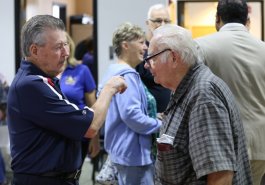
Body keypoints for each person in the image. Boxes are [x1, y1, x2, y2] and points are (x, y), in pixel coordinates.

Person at [7, 14, 127, 185]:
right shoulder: (31, 84)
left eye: (65, 45)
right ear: (34, 50)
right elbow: (91, 126)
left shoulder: (43, 79)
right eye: (58, 47)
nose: (66, 52)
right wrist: (110, 88)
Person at [144, 24, 252, 184]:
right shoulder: (184, 88)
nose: (147, 65)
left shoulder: (203, 95)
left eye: (152, 58)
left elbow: (220, 176)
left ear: (173, 58)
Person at [195, 1, 265, 184]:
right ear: (248, 20)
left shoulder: (200, 47)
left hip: (219, 143)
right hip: (260, 144)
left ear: (217, 19)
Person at [98, 22, 162, 185]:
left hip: (123, 152)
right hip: (133, 155)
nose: (145, 47)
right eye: (141, 42)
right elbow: (132, 116)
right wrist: (160, 124)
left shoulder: (112, 71)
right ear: (125, 45)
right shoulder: (127, 75)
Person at [59, 33, 100, 173]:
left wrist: (95, 139)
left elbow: (92, 106)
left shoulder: (81, 70)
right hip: (53, 136)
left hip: (79, 135)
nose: (61, 49)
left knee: (73, 175)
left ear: (70, 46)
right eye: (57, 46)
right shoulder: (46, 72)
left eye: (64, 45)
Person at [136, 3, 171, 113]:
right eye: (158, 21)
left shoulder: (172, 48)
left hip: (170, 117)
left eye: (167, 21)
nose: (163, 24)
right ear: (148, 23)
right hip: (150, 119)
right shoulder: (140, 50)